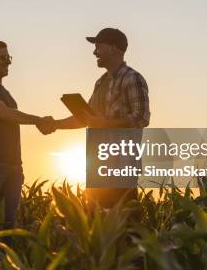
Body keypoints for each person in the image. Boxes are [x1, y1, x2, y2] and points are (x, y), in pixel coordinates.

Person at [39, 28, 150, 207]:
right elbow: (85, 118)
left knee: (125, 225)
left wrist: (106, 123)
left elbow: (141, 118)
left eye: (99, 46)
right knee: (95, 224)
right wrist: (55, 124)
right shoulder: (101, 82)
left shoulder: (132, 78)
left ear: (114, 49)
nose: (94, 52)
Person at [0, 40, 54, 230]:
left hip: (14, 165)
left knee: (9, 224)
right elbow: (5, 114)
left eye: (8, 57)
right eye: (2, 58)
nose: (7, 62)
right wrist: (39, 120)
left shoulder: (4, 91)